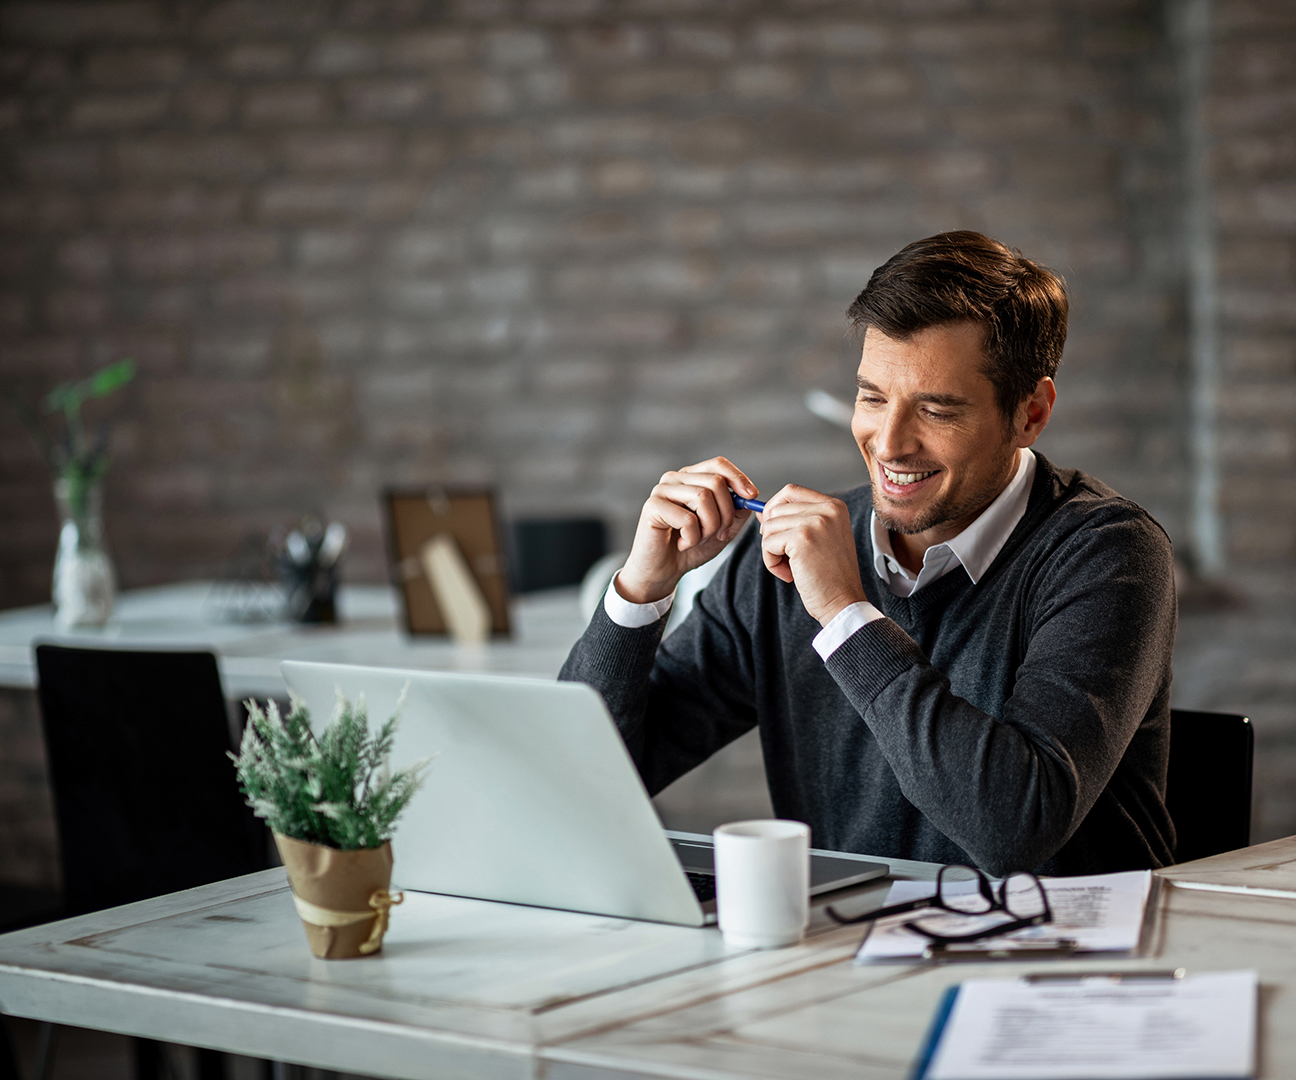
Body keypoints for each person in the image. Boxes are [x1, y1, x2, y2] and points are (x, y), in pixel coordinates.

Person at [560, 231, 1176, 876]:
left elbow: (1013, 829)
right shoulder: (780, 560)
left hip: (1061, 937)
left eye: (936, 410)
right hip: (851, 932)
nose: (889, 443)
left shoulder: (1110, 555)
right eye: (873, 398)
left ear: (1031, 413)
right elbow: (577, 785)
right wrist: (640, 592)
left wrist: (843, 612)